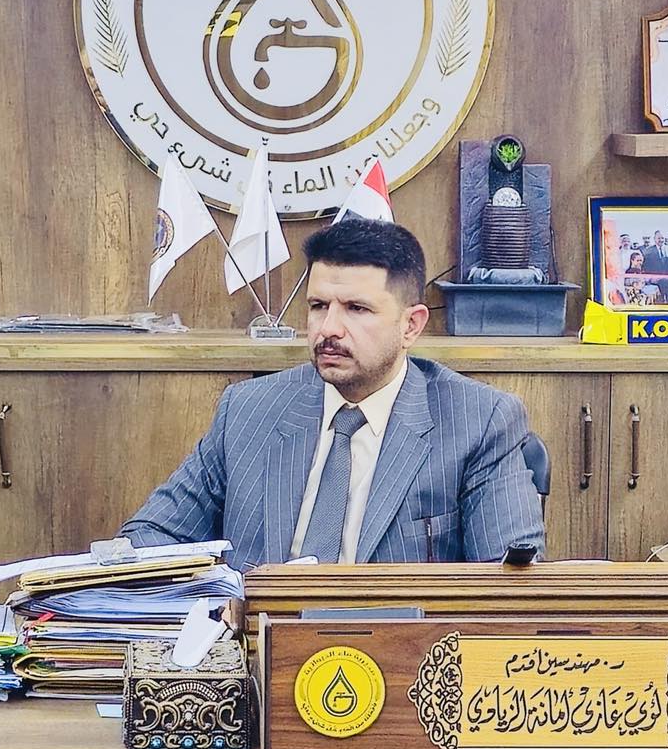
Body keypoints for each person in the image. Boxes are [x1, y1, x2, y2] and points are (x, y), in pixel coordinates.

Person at [119, 219, 545, 569]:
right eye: (319, 306)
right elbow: (151, 537)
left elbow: (509, 583)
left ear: (411, 325)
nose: (328, 329)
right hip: (257, 640)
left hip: (399, 645)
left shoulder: (479, 421)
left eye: (356, 309)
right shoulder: (248, 411)